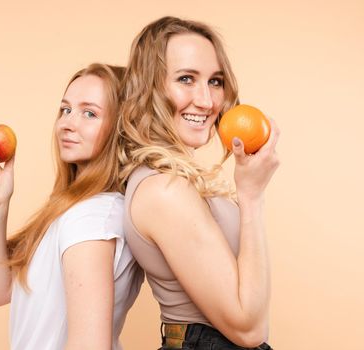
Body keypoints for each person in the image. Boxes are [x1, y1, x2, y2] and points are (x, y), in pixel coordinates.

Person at [117, 17, 280, 350]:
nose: (206, 101)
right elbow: (248, 329)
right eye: (186, 79)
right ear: (150, 87)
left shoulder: (168, 181)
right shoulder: (164, 190)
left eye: (215, 81)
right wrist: (251, 198)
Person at [0, 63, 143, 350]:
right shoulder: (74, 210)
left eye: (89, 113)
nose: (67, 123)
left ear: (122, 127)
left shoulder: (93, 217)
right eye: (66, 110)